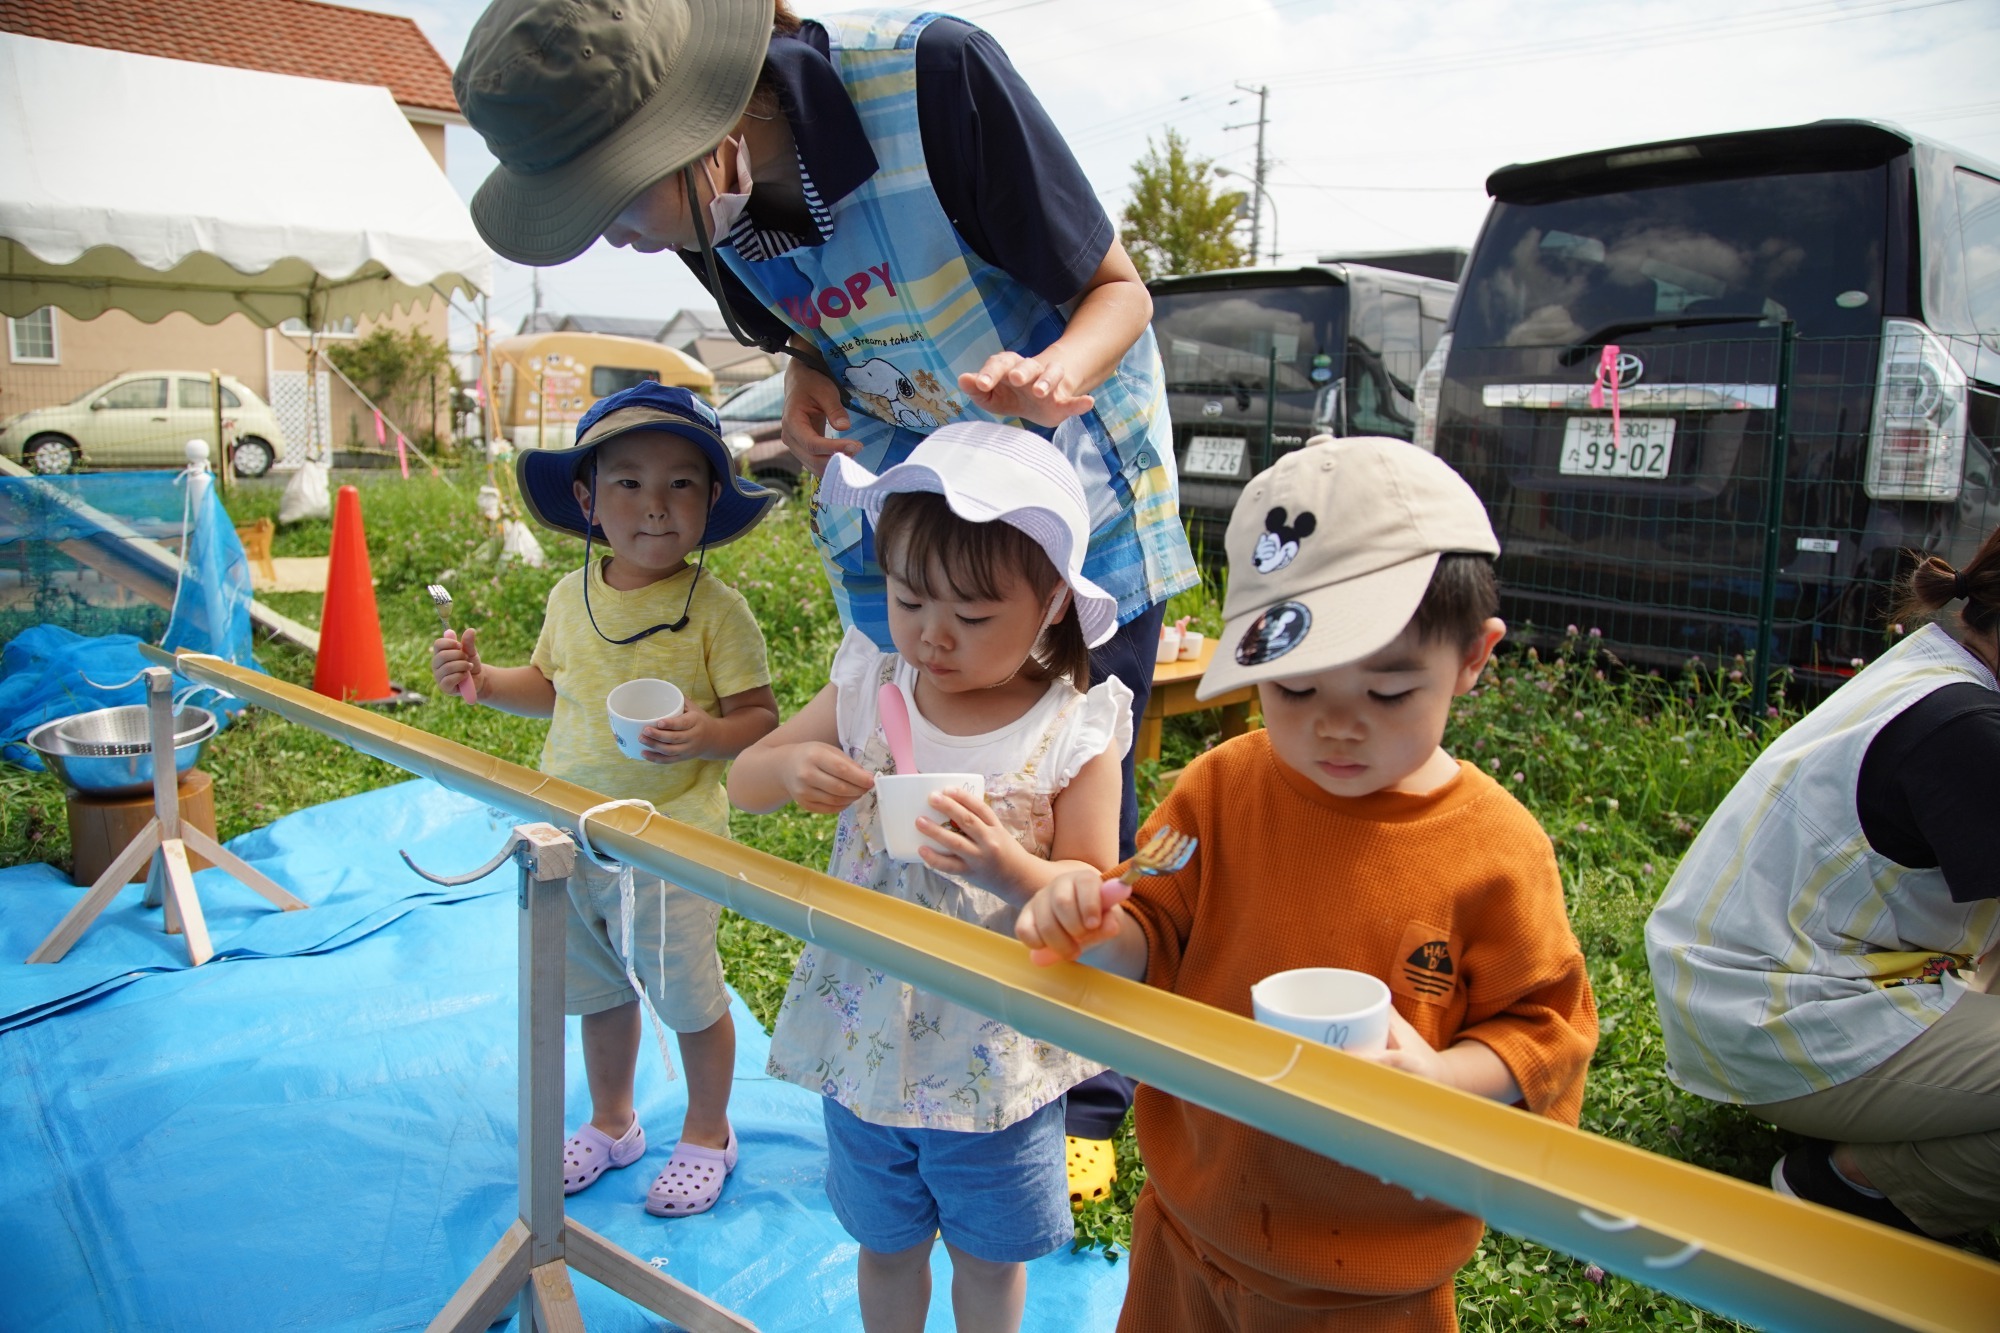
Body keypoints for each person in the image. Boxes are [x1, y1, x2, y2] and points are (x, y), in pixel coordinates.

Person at [451, 0, 1201, 1194]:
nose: (624, 241)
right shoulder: (716, 213)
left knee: (1067, 795)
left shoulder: (934, 83)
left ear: (698, 137)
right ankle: (919, 1029)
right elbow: (816, 317)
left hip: (1059, 510)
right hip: (908, 511)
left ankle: (1076, 1077)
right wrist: (807, 365)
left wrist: (1050, 375)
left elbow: (1119, 294)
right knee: (915, 756)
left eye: (620, 203)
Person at [1016, 437, 1599, 1332]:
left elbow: (1545, 1028)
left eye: (1390, 691)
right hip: (1186, 1230)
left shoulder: (1494, 848)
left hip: (1369, 1282)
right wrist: (1091, 920)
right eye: (1290, 688)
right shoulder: (1221, 788)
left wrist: (1444, 1077)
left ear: (1475, 657)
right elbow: (1154, 926)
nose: (1336, 727)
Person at [728, 422, 1131, 1333]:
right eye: (909, 599)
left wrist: (1008, 864)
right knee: (887, 1244)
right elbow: (742, 781)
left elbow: (1091, 891)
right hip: (859, 1035)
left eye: (974, 616)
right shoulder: (873, 684)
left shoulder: (1075, 731)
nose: (932, 636)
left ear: (1054, 604)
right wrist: (791, 773)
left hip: (993, 1065)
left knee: (988, 1263)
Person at [429, 382, 780, 1218]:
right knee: (596, 991)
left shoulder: (717, 613)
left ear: (712, 500)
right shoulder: (567, 597)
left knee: (687, 994)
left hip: (671, 841)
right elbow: (551, 689)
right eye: (628, 481)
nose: (654, 505)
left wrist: (705, 733)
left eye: (681, 483)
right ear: (587, 498)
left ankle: (706, 1130)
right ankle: (614, 1119)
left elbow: (759, 715)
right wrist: (482, 683)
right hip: (570, 833)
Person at [1646, 525, 2000, 1239]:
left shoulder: (1942, 669)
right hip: (1783, 1017)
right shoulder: (1968, 727)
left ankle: (1895, 1134)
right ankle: (1854, 1187)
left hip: (1751, 990)